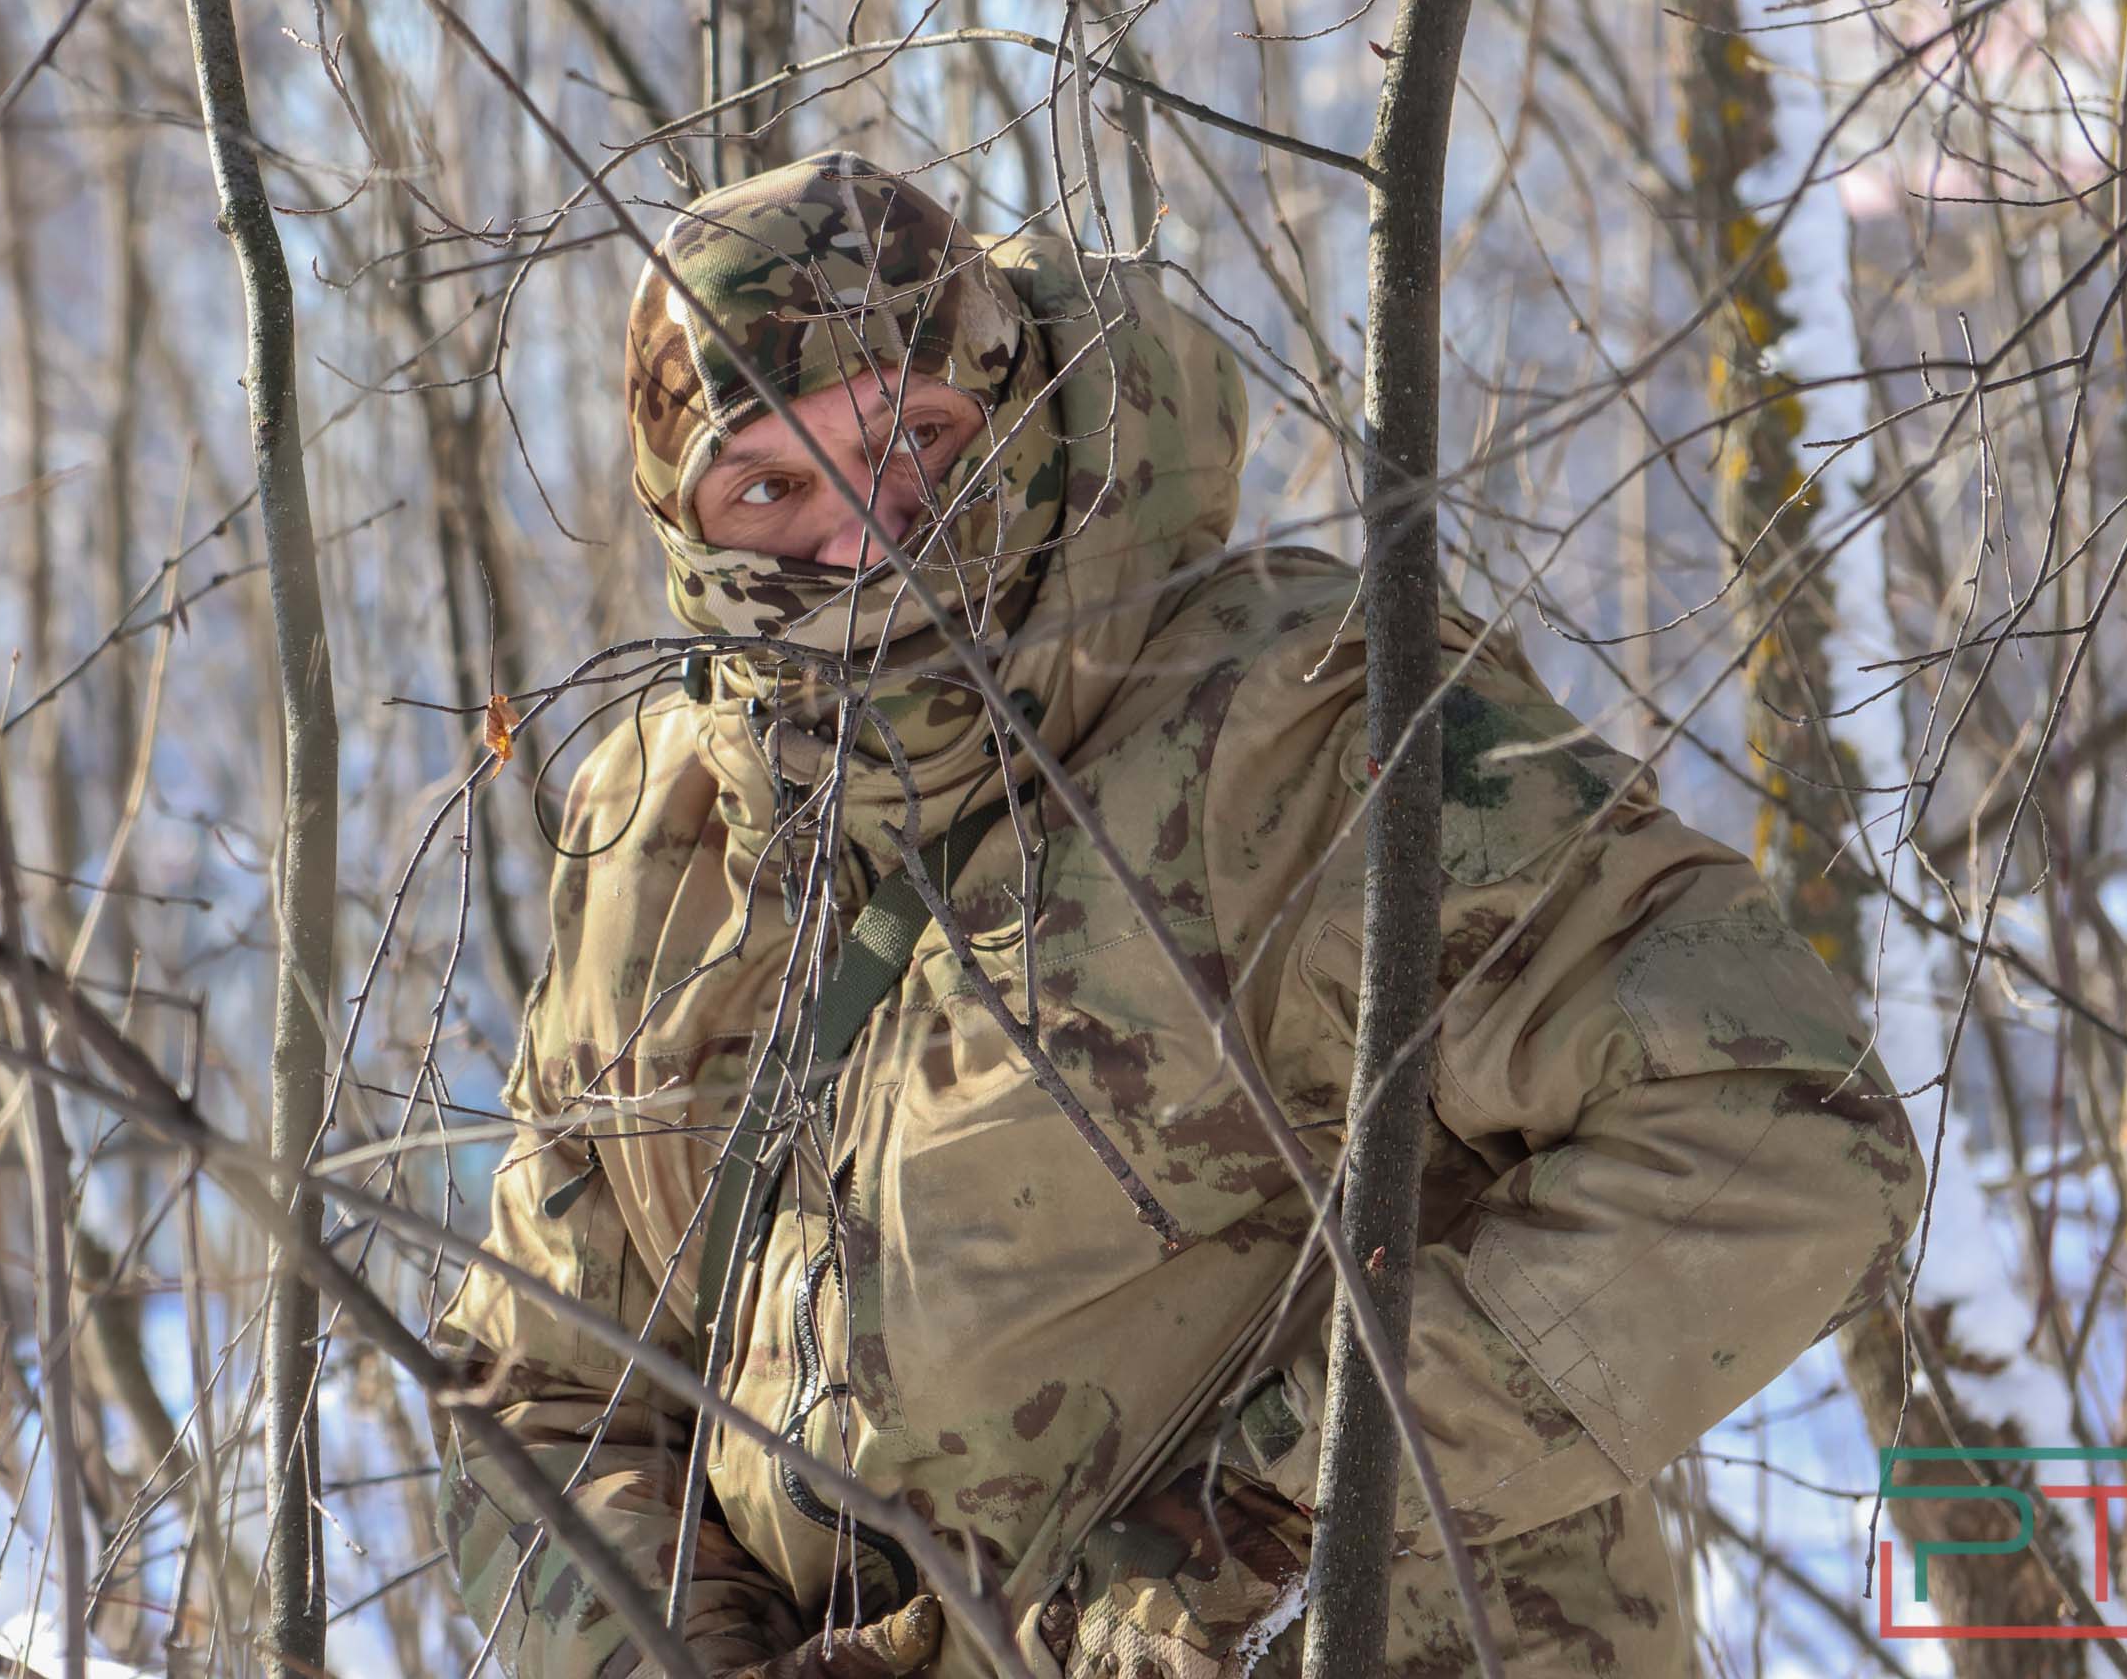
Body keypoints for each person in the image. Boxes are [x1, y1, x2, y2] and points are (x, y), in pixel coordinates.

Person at [433, 151, 1922, 1677]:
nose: (867, 538)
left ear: (1011, 411)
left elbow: (1782, 1124)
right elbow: (540, 1388)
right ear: (685, 523)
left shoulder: (1291, 731)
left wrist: (1252, 1545)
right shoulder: (656, 835)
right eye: (772, 486)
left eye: (914, 440)